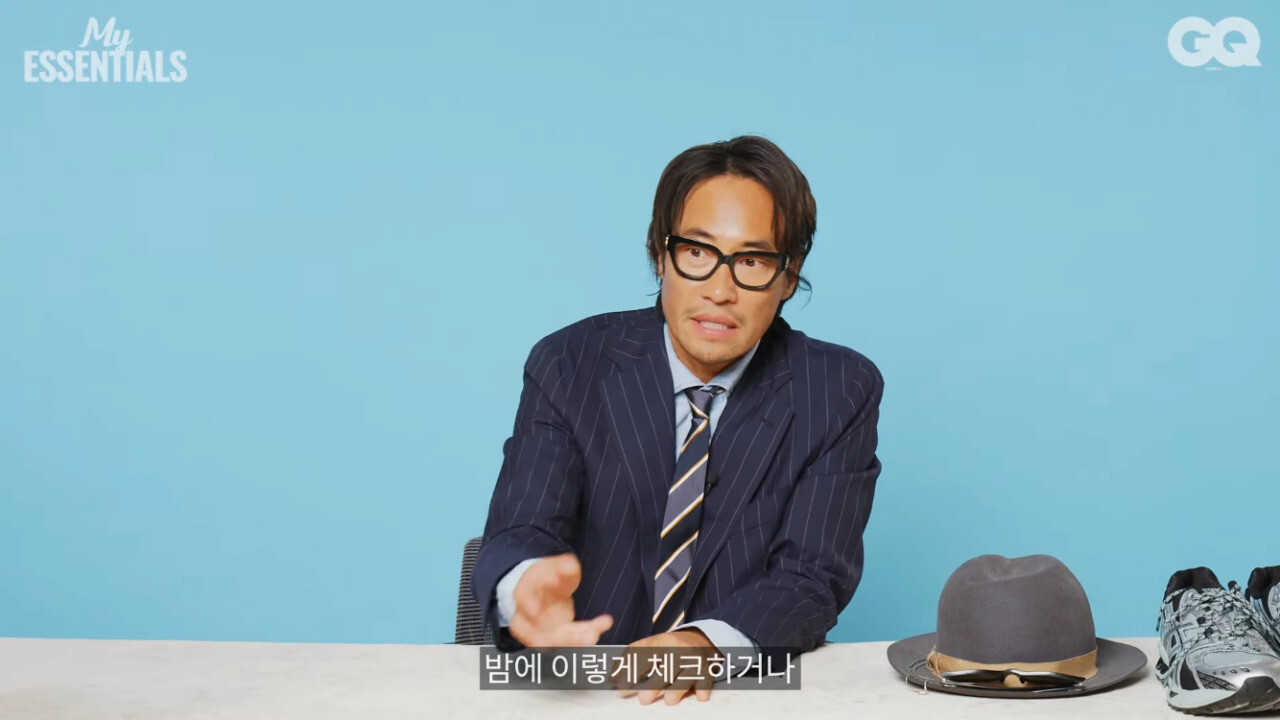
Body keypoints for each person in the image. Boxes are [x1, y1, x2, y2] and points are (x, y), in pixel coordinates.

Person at [471, 135, 883, 705]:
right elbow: (522, 526)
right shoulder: (569, 364)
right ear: (661, 256)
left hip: (728, 696)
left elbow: (811, 576)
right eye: (697, 252)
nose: (720, 289)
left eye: (753, 261)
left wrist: (701, 645)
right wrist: (526, 587)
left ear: (788, 278)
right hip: (578, 688)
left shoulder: (838, 390)